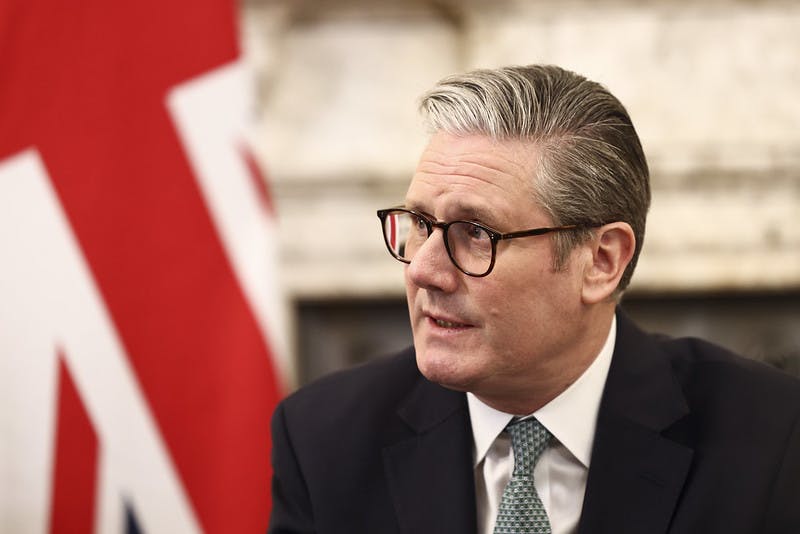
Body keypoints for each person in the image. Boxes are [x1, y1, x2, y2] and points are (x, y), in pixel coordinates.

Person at [268, 65, 800, 534]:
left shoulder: (772, 439)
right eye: (420, 224)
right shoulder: (324, 439)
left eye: (475, 232)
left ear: (602, 261)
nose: (424, 270)